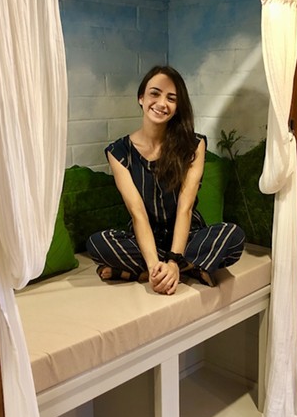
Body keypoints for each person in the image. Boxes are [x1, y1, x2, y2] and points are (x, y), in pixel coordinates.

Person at [86, 65, 245, 295]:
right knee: (97, 243)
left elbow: (185, 207)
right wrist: (153, 266)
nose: (162, 103)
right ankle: (189, 268)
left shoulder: (194, 145)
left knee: (234, 236)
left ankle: (151, 271)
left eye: (171, 98)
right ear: (141, 97)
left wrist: (172, 260)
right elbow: (137, 213)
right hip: (144, 239)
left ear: (177, 107)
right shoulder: (119, 152)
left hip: (189, 236)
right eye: (154, 93)